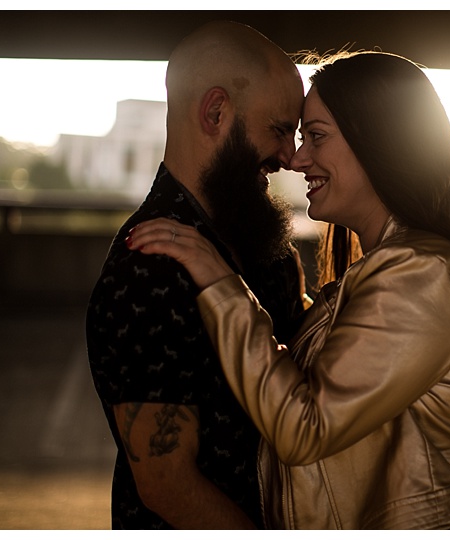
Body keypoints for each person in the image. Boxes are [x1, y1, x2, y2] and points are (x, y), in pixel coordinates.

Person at [127, 51, 450, 529]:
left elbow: (305, 428)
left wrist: (221, 284)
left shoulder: (422, 274)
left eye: (316, 137)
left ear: (380, 144)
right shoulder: (396, 270)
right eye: (300, 138)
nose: (297, 159)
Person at [85, 20, 307, 529]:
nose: (291, 156)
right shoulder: (149, 267)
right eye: (279, 130)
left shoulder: (263, 247)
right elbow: (167, 484)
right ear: (215, 113)